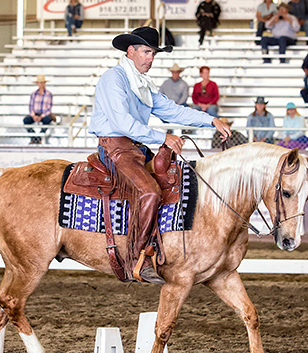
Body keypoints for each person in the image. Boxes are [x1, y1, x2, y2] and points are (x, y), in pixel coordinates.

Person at [88, 27, 231, 284]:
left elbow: (173, 111)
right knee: (150, 191)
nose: (150, 58)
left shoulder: (142, 84)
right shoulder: (115, 79)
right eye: (145, 52)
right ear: (130, 51)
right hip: (115, 147)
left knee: (175, 180)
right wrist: (162, 137)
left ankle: (167, 248)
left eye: (153, 53)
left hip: (135, 148)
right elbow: (121, 122)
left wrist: (211, 121)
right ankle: (135, 259)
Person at [23, 75, 54, 144]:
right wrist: (33, 115)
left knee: (47, 120)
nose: (41, 84)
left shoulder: (49, 94)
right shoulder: (33, 94)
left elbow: (49, 108)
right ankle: (34, 137)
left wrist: (41, 116)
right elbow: (31, 106)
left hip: (44, 114)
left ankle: (38, 137)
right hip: (35, 113)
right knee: (26, 120)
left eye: (42, 83)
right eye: (39, 83)